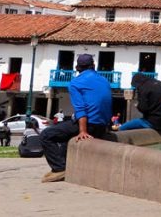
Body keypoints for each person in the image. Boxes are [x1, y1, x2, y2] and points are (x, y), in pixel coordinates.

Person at [39, 54, 112, 182]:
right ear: (94, 66)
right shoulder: (104, 80)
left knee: (46, 135)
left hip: (89, 124)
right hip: (102, 125)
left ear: (77, 67)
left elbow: (81, 109)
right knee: (64, 137)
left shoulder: (76, 83)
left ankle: (59, 168)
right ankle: (65, 166)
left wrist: (82, 131)